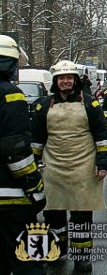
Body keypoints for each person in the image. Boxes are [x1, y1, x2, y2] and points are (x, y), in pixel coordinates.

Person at [31, 60, 107, 273]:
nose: (65, 82)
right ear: (55, 82)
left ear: (75, 80)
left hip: (83, 166)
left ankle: (82, 257)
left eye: (69, 78)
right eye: (61, 78)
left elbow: (102, 136)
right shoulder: (42, 105)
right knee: (53, 212)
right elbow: (37, 139)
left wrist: (103, 163)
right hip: (52, 167)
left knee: (81, 215)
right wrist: (32, 166)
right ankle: (57, 250)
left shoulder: (90, 104)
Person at [0, 35, 46, 275]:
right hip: (10, 200)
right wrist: (35, 186)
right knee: (29, 259)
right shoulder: (12, 95)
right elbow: (16, 152)